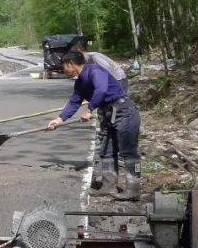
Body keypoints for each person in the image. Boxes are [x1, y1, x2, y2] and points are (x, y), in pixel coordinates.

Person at [47, 49, 143, 201]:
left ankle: (133, 189)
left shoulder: (95, 71)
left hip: (124, 111)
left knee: (128, 152)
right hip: (107, 114)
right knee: (107, 150)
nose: (63, 70)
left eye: (64, 66)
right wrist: (59, 119)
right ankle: (108, 186)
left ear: (71, 64)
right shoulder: (80, 82)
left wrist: (90, 109)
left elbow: (102, 89)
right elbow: (74, 102)